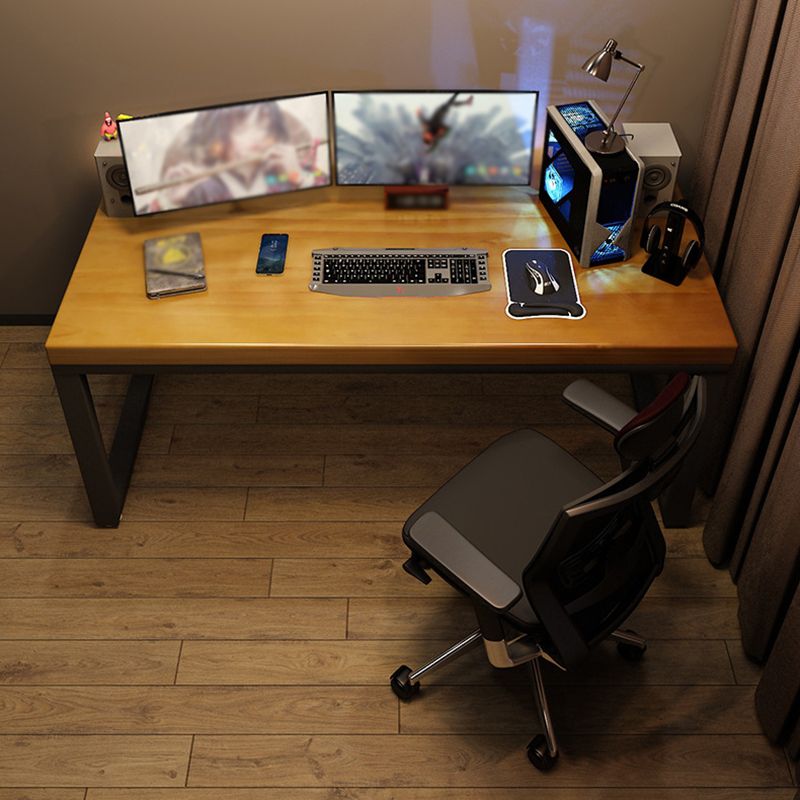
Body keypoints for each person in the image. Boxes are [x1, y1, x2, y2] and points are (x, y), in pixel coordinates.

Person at [143, 102, 325, 212]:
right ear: (217, 138)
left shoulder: (289, 168)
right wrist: (169, 200)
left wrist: (299, 176)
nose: (258, 137)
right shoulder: (201, 187)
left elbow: (329, 204)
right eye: (242, 129)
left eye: (264, 127)